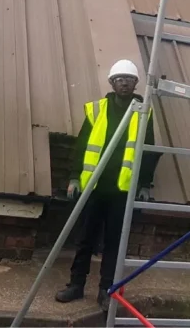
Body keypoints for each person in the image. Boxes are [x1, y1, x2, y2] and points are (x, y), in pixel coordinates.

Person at [55, 59, 162, 310]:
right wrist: (73, 176)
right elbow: (82, 145)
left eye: (129, 79)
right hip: (93, 187)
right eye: (119, 79)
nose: (124, 83)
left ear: (136, 83)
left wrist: (145, 184)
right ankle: (76, 285)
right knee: (85, 239)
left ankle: (106, 290)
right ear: (112, 83)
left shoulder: (144, 110)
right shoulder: (97, 109)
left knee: (114, 243)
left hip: (122, 190)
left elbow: (148, 150)